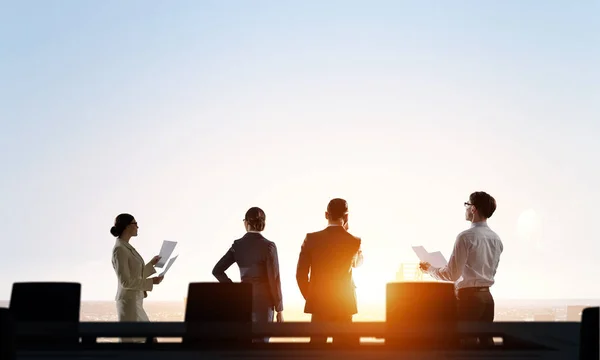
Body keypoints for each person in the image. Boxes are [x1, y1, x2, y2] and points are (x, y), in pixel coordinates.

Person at [419, 191, 503, 346]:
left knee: (465, 344)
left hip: (468, 299)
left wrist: (430, 269)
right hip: (487, 299)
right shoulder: (496, 239)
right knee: (486, 345)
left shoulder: (465, 237)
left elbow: (452, 274)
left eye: (467, 204)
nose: (465, 208)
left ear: (473, 209)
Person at [296, 198, 363, 345]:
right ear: (346, 217)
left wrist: (311, 297)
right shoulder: (354, 241)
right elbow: (358, 264)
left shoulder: (311, 239)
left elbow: (300, 275)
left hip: (319, 304)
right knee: (343, 352)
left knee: (316, 351)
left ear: (326, 215)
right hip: (344, 305)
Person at [212, 207, 284, 343]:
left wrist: (234, 289)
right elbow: (274, 280)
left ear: (246, 223)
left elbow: (217, 270)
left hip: (242, 302)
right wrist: (279, 309)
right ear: (263, 223)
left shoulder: (237, 245)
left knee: (244, 346)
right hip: (264, 303)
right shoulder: (269, 246)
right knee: (260, 347)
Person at [110, 213, 163, 343]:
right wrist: (151, 282)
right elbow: (126, 282)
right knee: (140, 341)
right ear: (127, 226)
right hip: (129, 303)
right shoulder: (120, 249)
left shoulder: (126, 247)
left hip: (135, 301)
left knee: (143, 341)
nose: (138, 226)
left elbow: (135, 274)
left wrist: (151, 264)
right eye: (135, 224)